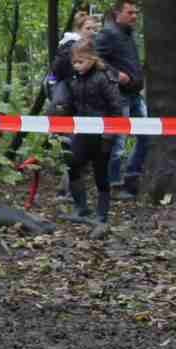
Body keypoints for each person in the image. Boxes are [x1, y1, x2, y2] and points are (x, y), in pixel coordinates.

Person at [54, 37, 127, 223]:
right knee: (73, 165)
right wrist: (61, 116)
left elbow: (116, 109)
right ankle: (81, 208)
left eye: (81, 61)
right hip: (81, 134)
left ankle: (102, 214)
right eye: (74, 62)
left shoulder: (104, 78)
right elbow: (72, 106)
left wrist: (108, 137)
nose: (77, 66)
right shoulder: (74, 81)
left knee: (101, 175)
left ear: (92, 58)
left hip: (102, 136)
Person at [97, 0, 146, 195]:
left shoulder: (129, 34)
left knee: (147, 135)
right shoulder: (107, 33)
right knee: (118, 142)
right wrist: (116, 75)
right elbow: (96, 59)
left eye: (136, 12)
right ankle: (113, 185)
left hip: (135, 95)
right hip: (118, 96)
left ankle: (132, 176)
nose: (134, 16)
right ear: (117, 13)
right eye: (130, 12)